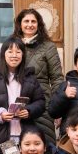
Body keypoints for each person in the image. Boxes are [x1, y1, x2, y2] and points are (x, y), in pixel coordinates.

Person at [0, 37, 46, 154]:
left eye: (18, 52)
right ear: (3, 54)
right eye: (10, 51)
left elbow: (41, 102)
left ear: (23, 55)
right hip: (0, 136)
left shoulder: (30, 78)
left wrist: (29, 111)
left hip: (25, 136)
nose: (14, 55)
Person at [12, 9, 65, 144]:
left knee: (44, 142)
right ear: (20, 24)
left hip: (43, 102)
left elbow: (57, 78)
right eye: (26, 21)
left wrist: (58, 106)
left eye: (33, 21)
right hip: (15, 101)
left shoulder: (48, 46)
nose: (30, 25)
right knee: (15, 144)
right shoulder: (11, 45)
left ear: (39, 24)